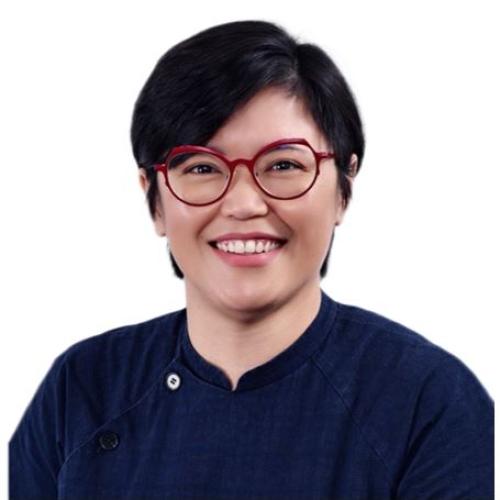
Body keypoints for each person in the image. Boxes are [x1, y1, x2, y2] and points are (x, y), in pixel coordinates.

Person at [9, 20, 493, 499]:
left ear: (344, 188)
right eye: (202, 167)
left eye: (284, 165)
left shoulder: (428, 402)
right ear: (154, 200)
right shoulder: (81, 389)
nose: (243, 204)